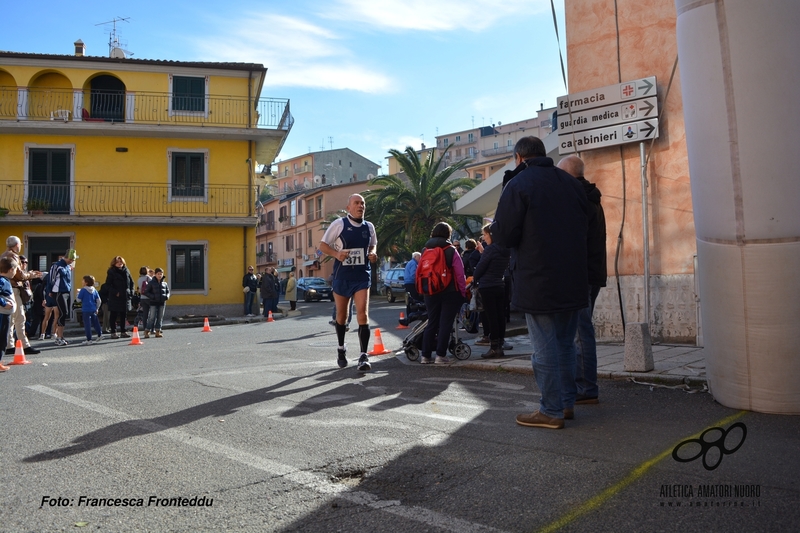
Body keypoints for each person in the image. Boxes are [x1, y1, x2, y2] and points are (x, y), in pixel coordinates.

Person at [491, 136, 592, 430]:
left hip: (539, 279)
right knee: (565, 345)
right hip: (573, 277)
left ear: (519, 158)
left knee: (545, 348)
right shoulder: (571, 183)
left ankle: (550, 410)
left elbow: (505, 235)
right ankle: (566, 403)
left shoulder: (519, 184)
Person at [557, 155, 607, 405]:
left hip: (581, 273)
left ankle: (587, 387)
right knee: (580, 330)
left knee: (580, 331)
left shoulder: (577, 199)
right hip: (593, 271)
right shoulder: (592, 196)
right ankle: (584, 384)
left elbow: (571, 240)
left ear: (567, 175)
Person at [319, 193, 378, 372]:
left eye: (363, 203)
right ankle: (341, 348)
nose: (361, 206)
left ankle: (363, 356)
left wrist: (373, 254)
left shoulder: (369, 227)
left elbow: (373, 245)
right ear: (349, 207)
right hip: (342, 276)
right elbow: (322, 246)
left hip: (361, 275)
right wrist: (337, 255)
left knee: (363, 314)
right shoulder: (339, 224)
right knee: (342, 317)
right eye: (357, 203)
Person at [418, 222, 467, 365]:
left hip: (430, 290)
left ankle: (425, 356)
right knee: (445, 323)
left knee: (432, 322)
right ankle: (440, 355)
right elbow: (459, 273)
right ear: (448, 235)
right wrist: (462, 292)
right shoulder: (451, 250)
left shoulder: (425, 250)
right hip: (449, 291)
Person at [472, 223, 510, 359]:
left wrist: (474, 276)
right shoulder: (505, 249)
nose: (484, 237)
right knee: (500, 316)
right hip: (500, 284)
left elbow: (481, 268)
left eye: (485, 235)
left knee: (491, 317)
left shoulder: (490, 249)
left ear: (491, 235)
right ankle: (500, 344)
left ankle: (494, 348)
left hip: (487, 286)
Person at [1, 237, 42, 355]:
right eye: (20, 245)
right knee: (20, 317)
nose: (20, 247)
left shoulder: (4, 254)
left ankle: (10, 345)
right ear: (16, 245)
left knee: (11, 319)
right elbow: (19, 275)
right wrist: (31, 275)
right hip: (14, 289)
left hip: (9, 289)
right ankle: (24, 345)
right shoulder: (13, 255)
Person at [48, 248, 78, 346]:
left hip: (66, 291)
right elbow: (51, 279)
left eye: (73, 260)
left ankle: (61, 336)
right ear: (66, 257)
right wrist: (50, 290)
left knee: (64, 313)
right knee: (62, 313)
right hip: (58, 292)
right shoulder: (57, 266)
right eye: (70, 260)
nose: (71, 262)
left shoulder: (68, 266)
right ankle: (58, 337)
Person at [105, 256, 134, 339]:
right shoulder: (111, 272)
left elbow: (131, 282)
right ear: (114, 263)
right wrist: (115, 292)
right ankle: (113, 332)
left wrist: (131, 292)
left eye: (121, 262)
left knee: (123, 315)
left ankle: (123, 331)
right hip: (115, 297)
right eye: (118, 262)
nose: (120, 263)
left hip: (125, 296)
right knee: (113, 315)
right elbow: (107, 285)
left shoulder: (126, 271)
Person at [0, 255, 19, 371]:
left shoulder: (4, 281)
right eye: (16, 269)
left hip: (5, 313)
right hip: (2, 314)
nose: (15, 272)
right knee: (2, 338)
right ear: (11, 269)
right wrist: (3, 303)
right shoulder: (3, 281)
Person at [76, 275, 102, 345]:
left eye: (83, 280)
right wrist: (97, 308)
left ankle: (89, 339)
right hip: (93, 309)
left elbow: (78, 300)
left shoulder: (83, 290)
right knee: (96, 323)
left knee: (87, 325)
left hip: (86, 310)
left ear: (86, 282)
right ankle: (99, 334)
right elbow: (99, 300)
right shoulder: (94, 290)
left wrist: (77, 293)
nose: (82, 281)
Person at [144, 268, 170, 338]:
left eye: (161, 274)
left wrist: (167, 297)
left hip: (162, 303)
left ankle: (158, 331)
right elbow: (146, 292)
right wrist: (153, 297)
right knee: (151, 317)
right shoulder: (151, 283)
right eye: (158, 274)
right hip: (153, 303)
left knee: (160, 317)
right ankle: (147, 331)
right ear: (155, 274)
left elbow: (168, 291)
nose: (160, 275)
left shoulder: (164, 283)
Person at [403, 251, 422, 316]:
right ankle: (413, 314)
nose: (420, 259)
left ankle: (409, 313)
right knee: (414, 298)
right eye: (419, 257)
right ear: (415, 257)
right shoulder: (414, 263)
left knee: (409, 299)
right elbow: (413, 274)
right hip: (411, 283)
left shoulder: (409, 263)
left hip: (407, 283)